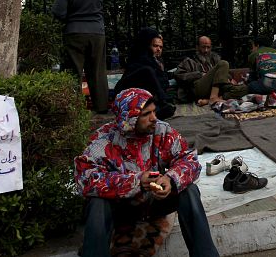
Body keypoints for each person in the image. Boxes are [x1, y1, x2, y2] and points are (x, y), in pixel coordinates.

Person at [75, 88, 219, 257]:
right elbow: (85, 179)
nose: (154, 118)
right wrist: (136, 182)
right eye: (145, 115)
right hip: (121, 208)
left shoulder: (162, 131)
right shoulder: (104, 140)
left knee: (189, 191)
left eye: (153, 112)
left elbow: (189, 160)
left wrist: (170, 179)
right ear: (129, 118)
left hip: (154, 204)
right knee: (97, 203)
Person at [52, 0, 109, 113]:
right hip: (97, 32)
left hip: (74, 33)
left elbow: (58, 12)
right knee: (97, 71)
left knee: (73, 71)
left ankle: (74, 108)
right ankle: (102, 106)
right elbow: (105, 7)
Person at [115, 28, 176, 120]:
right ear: (147, 45)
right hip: (126, 93)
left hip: (142, 96)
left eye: (160, 47)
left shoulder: (156, 61)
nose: (158, 49)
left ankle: (155, 110)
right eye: (155, 46)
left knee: (168, 110)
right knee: (147, 71)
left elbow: (163, 81)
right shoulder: (139, 58)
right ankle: (163, 103)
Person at [174, 36, 242, 106]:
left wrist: (229, 78)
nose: (206, 50)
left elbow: (224, 72)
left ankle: (209, 100)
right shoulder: (189, 61)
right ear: (197, 47)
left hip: (215, 88)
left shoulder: (215, 58)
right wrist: (200, 74)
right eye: (203, 47)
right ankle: (213, 97)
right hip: (198, 89)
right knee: (224, 63)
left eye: (208, 47)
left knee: (244, 89)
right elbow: (178, 75)